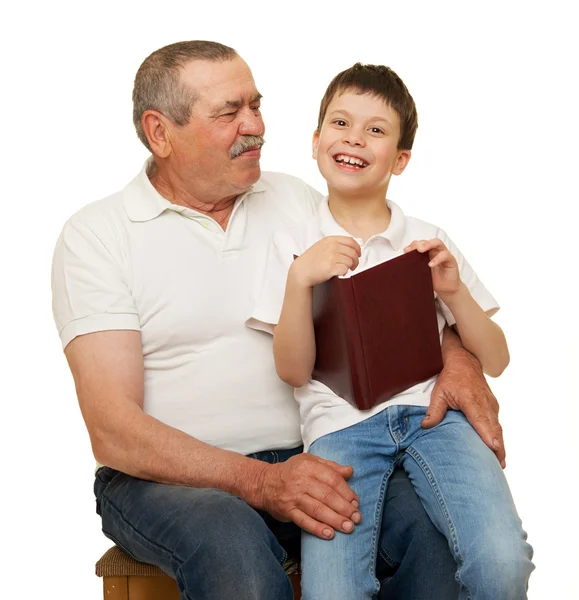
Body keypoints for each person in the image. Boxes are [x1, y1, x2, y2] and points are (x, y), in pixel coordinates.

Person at [51, 40, 505, 600]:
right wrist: (261, 481)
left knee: (436, 539)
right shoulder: (98, 236)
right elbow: (113, 428)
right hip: (166, 482)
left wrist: (458, 359)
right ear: (159, 132)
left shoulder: (298, 202)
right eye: (228, 113)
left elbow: (402, 295)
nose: (255, 126)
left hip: (317, 453)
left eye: (255, 104)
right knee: (233, 551)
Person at [247, 63, 534, 599]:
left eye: (376, 130)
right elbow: (291, 370)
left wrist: (451, 291)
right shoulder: (292, 244)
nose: (355, 138)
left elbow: (496, 359)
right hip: (339, 430)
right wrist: (299, 279)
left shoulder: (427, 239)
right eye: (341, 123)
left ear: (400, 159)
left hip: (435, 420)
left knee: (501, 561)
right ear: (314, 142)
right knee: (334, 591)